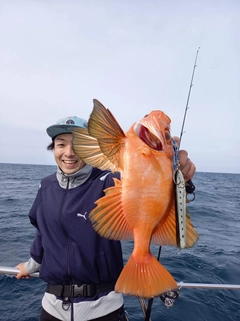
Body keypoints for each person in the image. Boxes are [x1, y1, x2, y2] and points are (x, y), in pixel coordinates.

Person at [16, 116, 196, 321]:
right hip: (52, 308)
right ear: (53, 149)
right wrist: (30, 266)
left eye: (78, 144)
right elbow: (44, 232)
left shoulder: (108, 179)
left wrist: (177, 172)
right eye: (61, 144)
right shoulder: (46, 186)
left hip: (103, 308)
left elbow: (145, 181)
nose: (69, 152)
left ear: (91, 147)